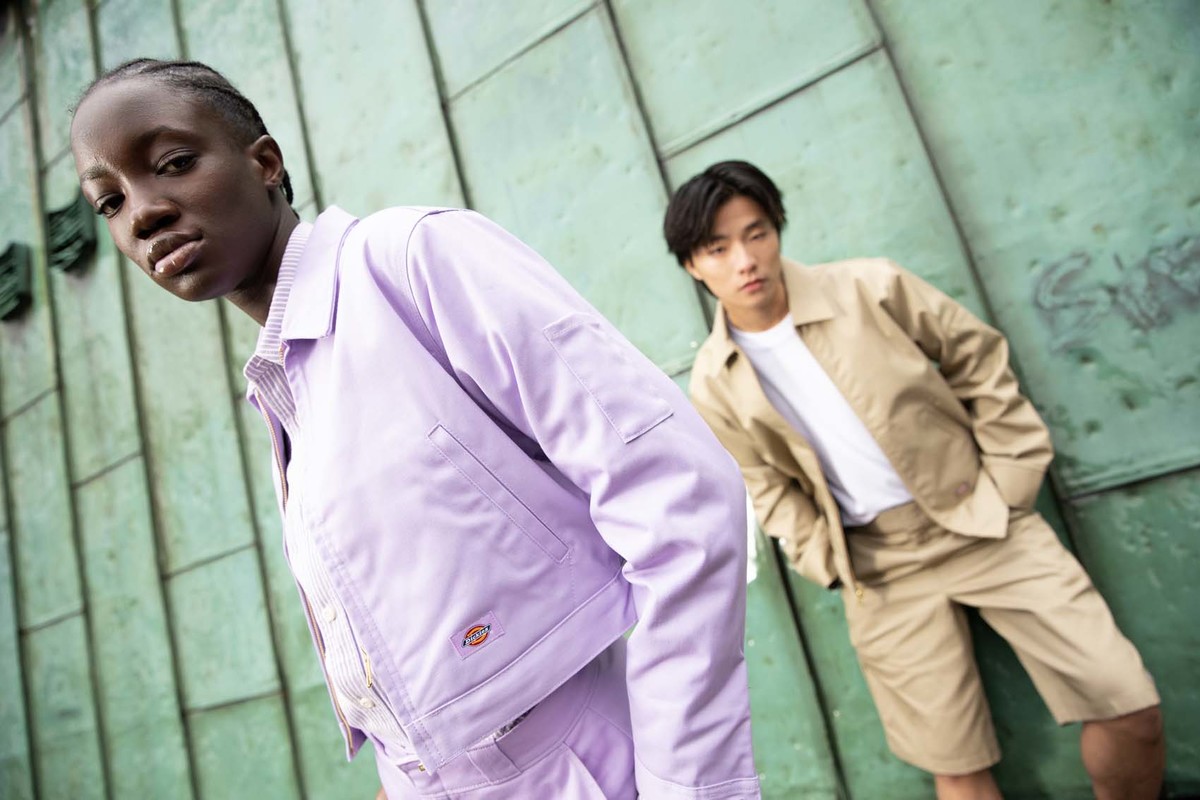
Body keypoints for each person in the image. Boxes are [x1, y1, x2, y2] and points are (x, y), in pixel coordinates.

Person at [70, 59, 762, 800]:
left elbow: (680, 499)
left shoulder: (411, 260)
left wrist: (693, 786)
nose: (142, 213)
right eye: (109, 201)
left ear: (264, 162)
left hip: (579, 767)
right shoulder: (283, 383)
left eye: (173, 163)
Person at [665, 160, 1165, 800]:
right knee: (954, 766)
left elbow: (976, 356)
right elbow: (764, 485)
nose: (745, 260)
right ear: (693, 265)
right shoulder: (714, 381)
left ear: (777, 228)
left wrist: (1011, 478)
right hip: (880, 569)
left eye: (756, 233)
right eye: (718, 248)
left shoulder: (870, 287)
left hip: (985, 520)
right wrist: (825, 560)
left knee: (1128, 706)